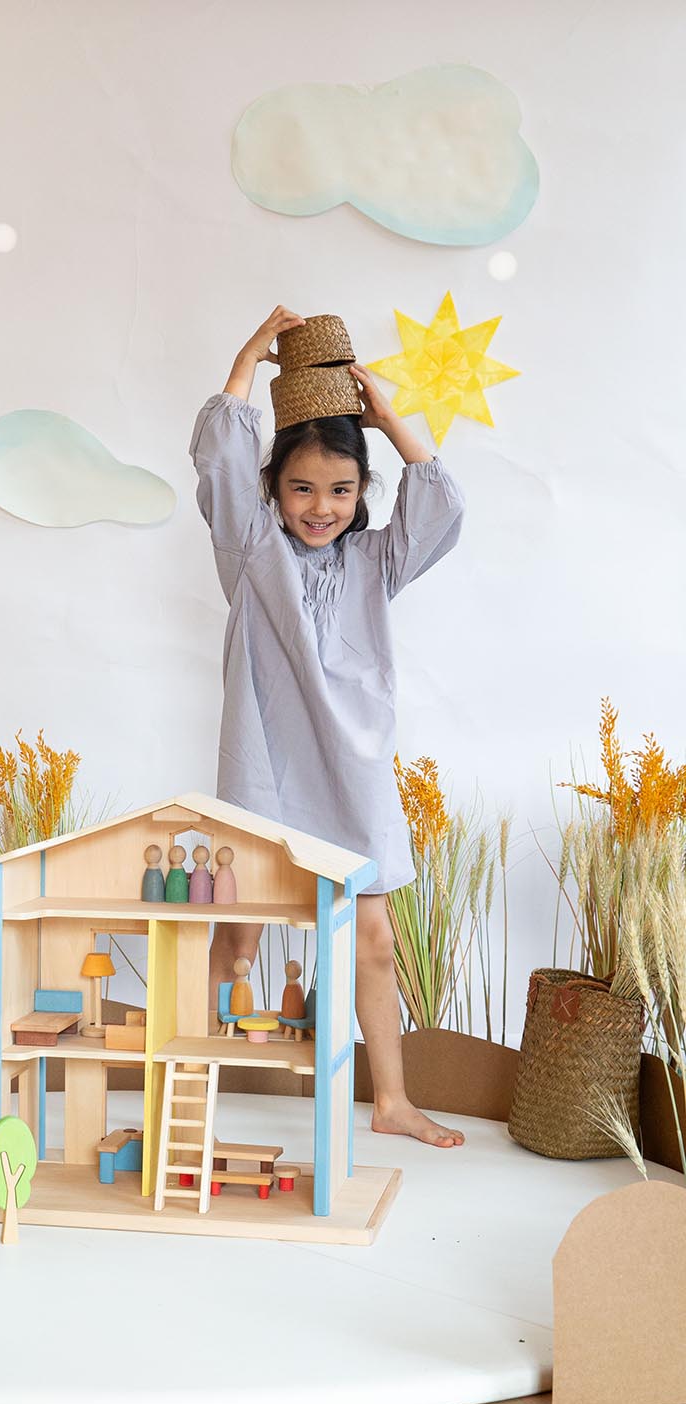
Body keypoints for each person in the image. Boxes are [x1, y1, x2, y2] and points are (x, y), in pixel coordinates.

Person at [190, 304, 466, 1148]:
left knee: (373, 939)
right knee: (238, 937)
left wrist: (388, 416)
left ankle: (392, 1100)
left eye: (341, 490)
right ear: (273, 490)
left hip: (353, 773)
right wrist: (248, 358)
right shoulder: (252, 550)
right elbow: (220, 455)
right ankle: (192, 1089)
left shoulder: (377, 560)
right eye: (302, 488)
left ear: (361, 493)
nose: (321, 507)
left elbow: (442, 508)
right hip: (265, 772)